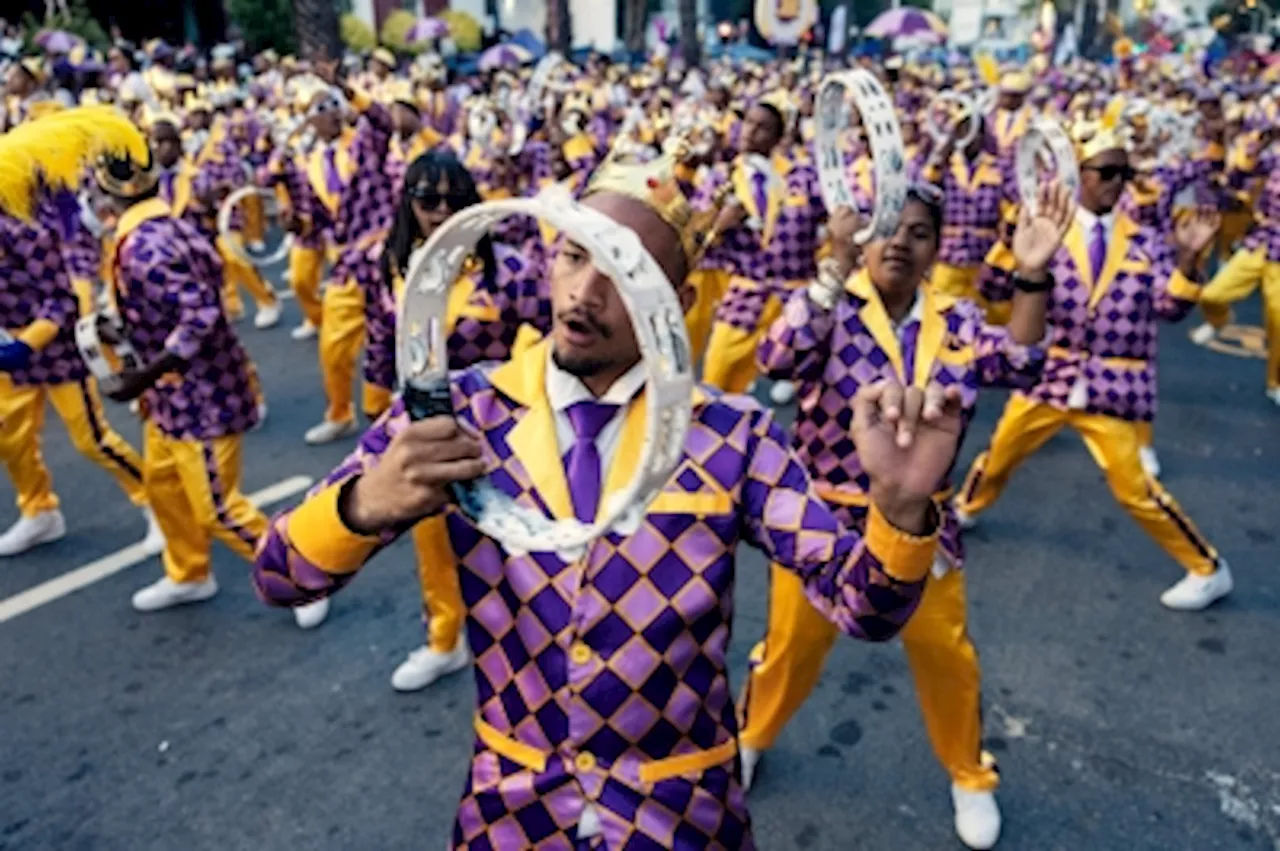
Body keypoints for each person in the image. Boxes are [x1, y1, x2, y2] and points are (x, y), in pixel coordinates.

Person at [253, 150, 965, 848]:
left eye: (624, 273)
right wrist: (360, 506)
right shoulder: (459, 411)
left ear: (677, 304)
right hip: (511, 814)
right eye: (572, 256)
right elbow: (280, 575)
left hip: (684, 814)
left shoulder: (730, 435)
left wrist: (901, 510)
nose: (584, 294)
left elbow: (865, 610)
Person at [736, 183, 1068, 850]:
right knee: (789, 650)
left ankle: (971, 775)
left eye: (918, 232)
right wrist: (831, 264)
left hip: (919, 522)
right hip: (823, 520)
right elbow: (776, 355)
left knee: (946, 653)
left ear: (935, 247)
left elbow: (1026, 363)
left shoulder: (961, 319)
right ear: (863, 235)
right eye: (888, 227)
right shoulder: (830, 305)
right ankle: (748, 737)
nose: (900, 242)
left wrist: (1031, 272)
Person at [958, 125, 1233, 611]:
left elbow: (1170, 308)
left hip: (1109, 388)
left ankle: (1208, 569)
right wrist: (1013, 243)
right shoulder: (1048, 228)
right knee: (999, 455)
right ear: (1077, 175)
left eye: (1124, 174)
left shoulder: (1146, 241)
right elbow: (996, 290)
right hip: (1048, 378)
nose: (1117, 183)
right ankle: (966, 507)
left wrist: (1189, 261)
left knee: (1136, 491)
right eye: (1106, 172)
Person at [88, 138, 327, 629]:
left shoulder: (145, 246)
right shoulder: (160, 228)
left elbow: (200, 312)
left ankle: (302, 578)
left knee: (218, 507)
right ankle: (189, 572)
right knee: (163, 485)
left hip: (199, 396)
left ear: (105, 196)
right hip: (173, 396)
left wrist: (145, 374)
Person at [362, 149, 550, 691]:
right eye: (427, 198)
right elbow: (380, 341)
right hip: (422, 429)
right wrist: (378, 415)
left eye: (454, 199)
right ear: (409, 202)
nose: (440, 210)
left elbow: (556, 334)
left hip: (498, 431)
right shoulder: (393, 265)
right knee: (433, 541)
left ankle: (530, 645)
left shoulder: (507, 267)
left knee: (508, 538)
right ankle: (444, 641)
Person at [0, 110, 161, 557]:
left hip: (51, 351)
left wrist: (25, 344)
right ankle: (39, 511)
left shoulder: (22, 229)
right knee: (9, 438)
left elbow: (61, 300)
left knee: (92, 440)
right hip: (6, 352)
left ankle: (159, 505)